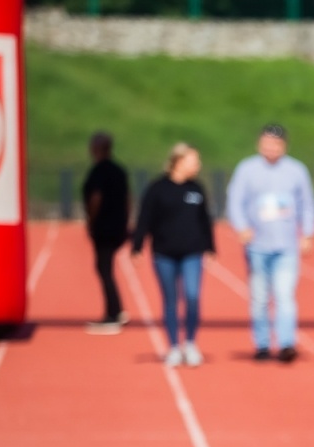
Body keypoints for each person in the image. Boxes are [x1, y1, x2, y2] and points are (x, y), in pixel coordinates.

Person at [227, 124, 314, 363]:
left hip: (286, 246)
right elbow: (235, 201)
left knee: (284, 295)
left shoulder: (296, 170)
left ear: (284, 146)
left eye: (276, 144)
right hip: (257, 245)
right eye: (267, 143)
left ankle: (286, 343)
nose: (271, 148)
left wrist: (307, 233)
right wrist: (241, 227)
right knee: (259, 297)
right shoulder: (247, 169)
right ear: (259, 144)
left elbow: (307, 203)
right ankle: (263, 344)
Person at [132, 144, 214, 367]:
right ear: (179, 162)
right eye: (194, 161)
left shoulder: (196, 188)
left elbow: (204, 219)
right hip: (164, 254)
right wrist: (137, 247)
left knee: (192, 296)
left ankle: (190, 343)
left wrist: (210, 247)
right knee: (171, 300)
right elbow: (144, 218)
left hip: (192, 253)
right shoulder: (158, 188)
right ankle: (174, 347)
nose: (198, 165)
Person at [81, 132, 131, 334]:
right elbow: (128, 199)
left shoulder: (99, 171)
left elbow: (96, 198)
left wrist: (90, 221)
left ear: (96, 148)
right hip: (117, 225)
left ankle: (114, 313)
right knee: (105, 268)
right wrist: (126, 221)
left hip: (104, 226)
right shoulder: (119, 170)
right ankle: (115, 310)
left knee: (104, 268)